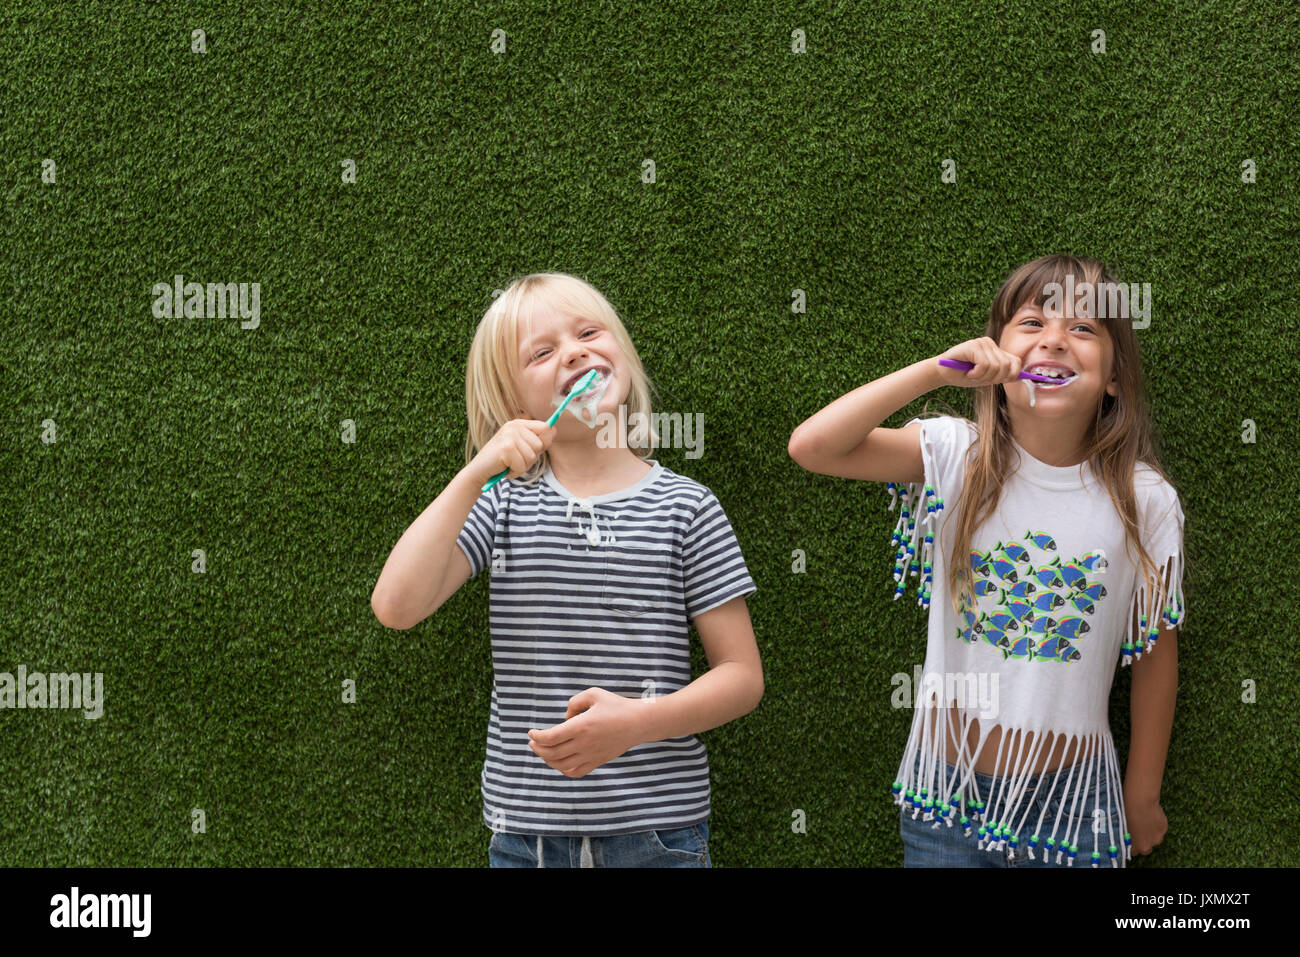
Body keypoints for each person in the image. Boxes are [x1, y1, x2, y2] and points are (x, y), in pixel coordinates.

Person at [789, 254, 1187, 867]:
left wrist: (1142, 792)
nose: (1054, 339)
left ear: (1114, 376)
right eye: (1032, 323)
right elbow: (813, 446)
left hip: (1075, 806)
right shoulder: (954, 455)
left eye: (1084, 329)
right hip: (946, 798)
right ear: (996, 356)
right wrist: (935, 373)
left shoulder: (1145, 498)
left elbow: (1154, 654)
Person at [371, 272, 762, 867]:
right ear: (513, 407)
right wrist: (476, 473)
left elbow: (741, 676)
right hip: (524, 839)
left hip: (659, 833)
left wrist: (635, 724)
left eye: (587, 333)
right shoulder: (502, 504)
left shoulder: (688, 507)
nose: (574, 352)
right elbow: (396, 607)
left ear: (620, 356)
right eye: (543, 352)